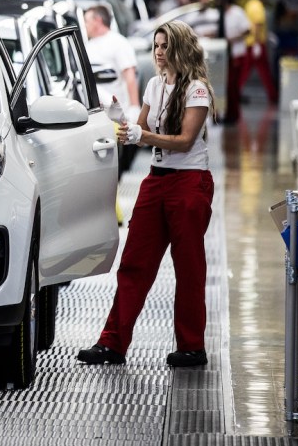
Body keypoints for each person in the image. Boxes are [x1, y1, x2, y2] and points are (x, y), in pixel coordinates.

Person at [77, 20, 214, 368]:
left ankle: (192, 347)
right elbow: (141, 129)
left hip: (189, 183)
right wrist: (121, 122)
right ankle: (112, 344)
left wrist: (141, 135)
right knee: (134, 263)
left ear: (180, 48)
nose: (159, 52)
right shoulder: (154, 86)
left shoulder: (196, 90)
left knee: (189, 268)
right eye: (156, 46)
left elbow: (184, 141)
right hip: (156, 181)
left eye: (165, 46)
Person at [84, 4, 141, 174]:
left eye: (87, 20)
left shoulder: (118, 43)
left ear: (98, 21)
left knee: (114, 165)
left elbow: (130, 76)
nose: (84, 25)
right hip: (95, 114)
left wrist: (134, 107)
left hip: (117, 115)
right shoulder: (88, 45)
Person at [241, 0, 277, 104]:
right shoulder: (258, 6)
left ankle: (236, 92)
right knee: (264, 70)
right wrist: (257, 43)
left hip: (249, 42)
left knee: (245, 70)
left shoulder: (250, 4)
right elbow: (257, 25)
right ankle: (272, 95)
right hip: (256, 43)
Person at [221, 0, 252, 124]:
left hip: (237, 53)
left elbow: (247, 30)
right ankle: (229, 112)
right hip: (226, 54)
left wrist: (233, 39)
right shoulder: (222, 15)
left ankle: (234, 115)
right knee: (228, 86)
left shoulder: (237, 13)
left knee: (233, 86)